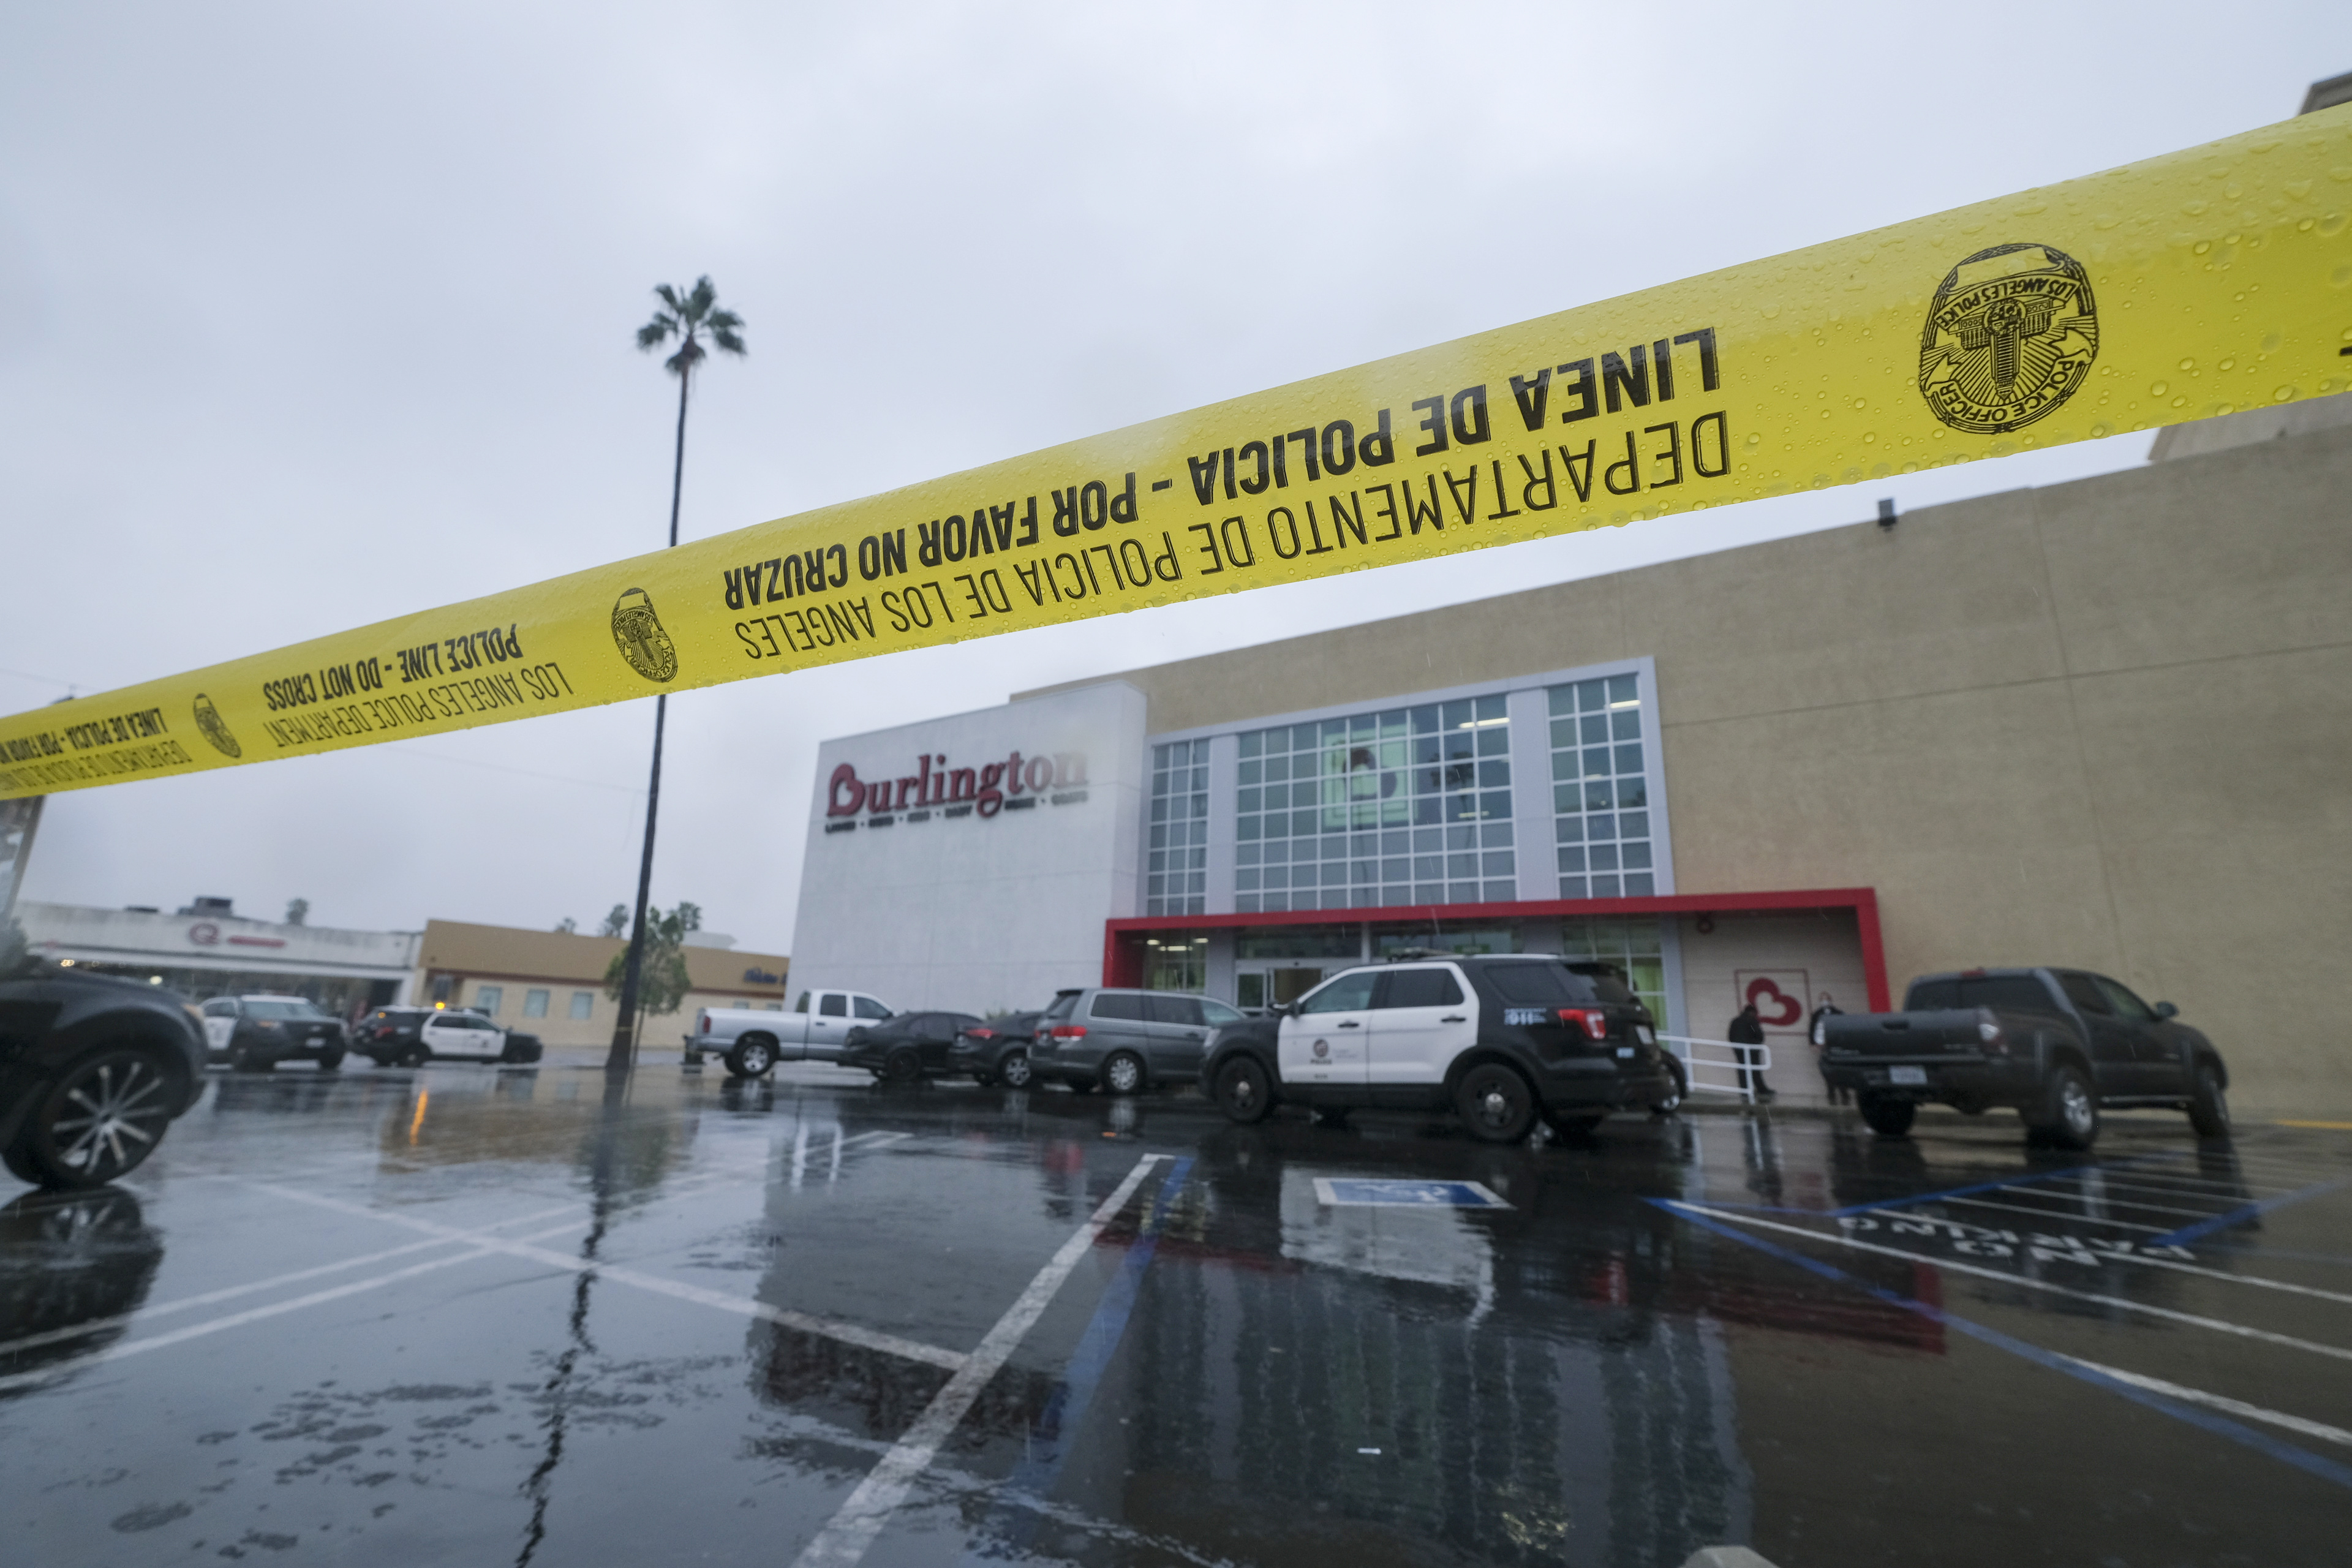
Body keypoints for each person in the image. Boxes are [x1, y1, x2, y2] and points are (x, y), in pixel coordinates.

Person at [1727, 1001, 1774, 1102]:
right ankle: (1761, 1090)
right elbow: (1758, 1034)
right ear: (1753, 1012)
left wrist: (1736, 1047)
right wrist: (1757, 1044)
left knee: (1743, 1070)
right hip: (1752, 1050)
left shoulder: (1735, 1021)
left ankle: (1745, 1091)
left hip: (1739, 1050)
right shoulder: (1752, 1021)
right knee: (1755, 1071)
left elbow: (1730, 1036)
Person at [1809, 993, 1849, 1106]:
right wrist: (1813, 1043)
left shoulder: (1838, 1013)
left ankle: (1844, 1093)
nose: (1824, 1002)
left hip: (1837, 1046)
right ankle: (1831, 1093)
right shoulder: (1817, 1015)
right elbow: (1812, 1029)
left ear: (1831, 1000)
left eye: (1826, 999)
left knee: (1840, 1070)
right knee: (1828, 1070)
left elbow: (1844, 1028)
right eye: (1822, 999)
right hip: (1824, 1047)